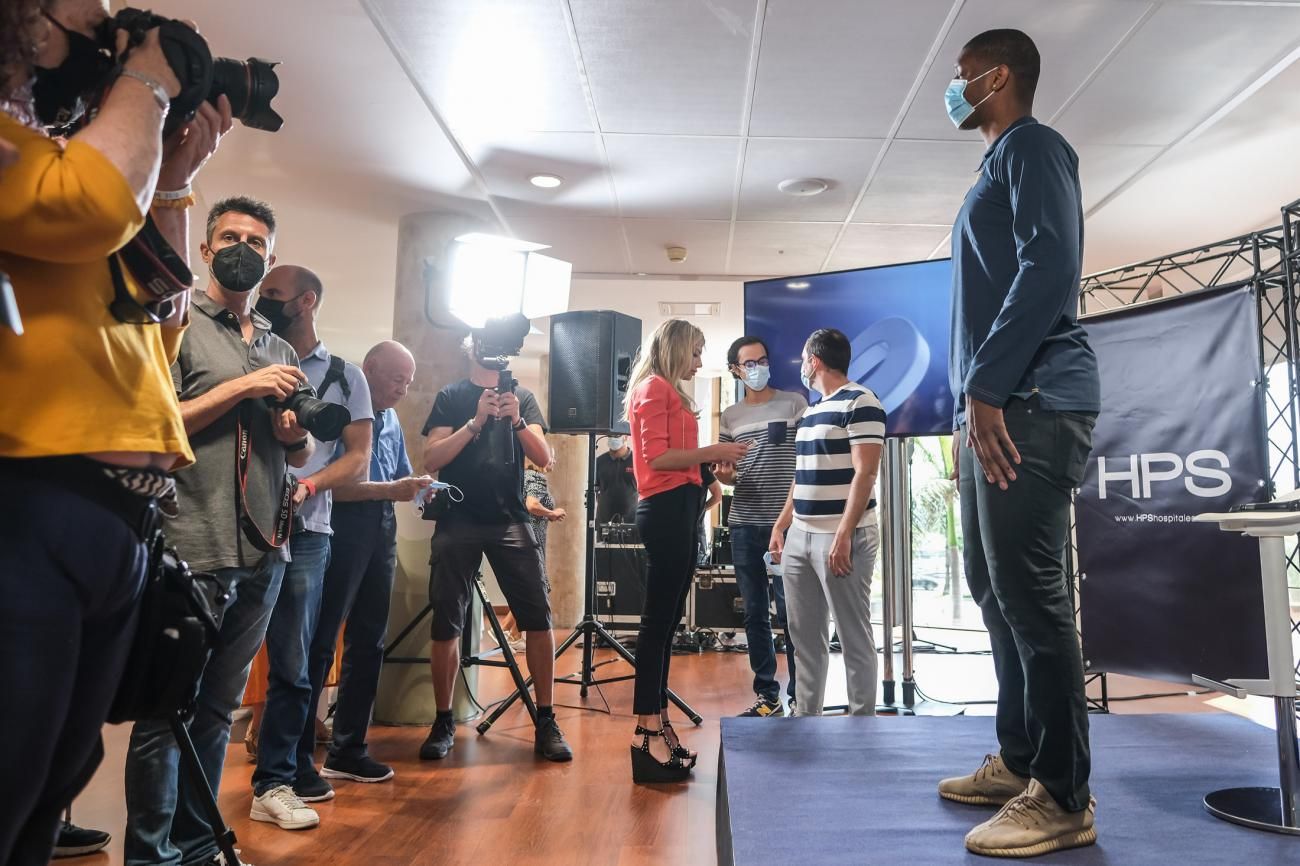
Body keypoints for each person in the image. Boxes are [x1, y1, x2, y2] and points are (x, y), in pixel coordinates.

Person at [0, 3, 228, 863]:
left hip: (119, 518)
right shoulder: (34, 162)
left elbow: (161, 316)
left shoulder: (69, 163)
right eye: (83, 15)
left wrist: (168, 176)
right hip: (28, 498)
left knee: (46, 794)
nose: (103, 28)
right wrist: (151, 77)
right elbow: (89, 207)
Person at [938, 28, 1100, 858]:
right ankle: (1022, 758)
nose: (953, 88)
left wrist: (987, 386)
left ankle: (1065, 796)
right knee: (991, 586)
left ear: (998, 76)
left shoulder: (1033, 146)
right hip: (998, 403)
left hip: (1031, 398)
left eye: (962, 76)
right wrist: (973, 399)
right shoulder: (995, 163)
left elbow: (1051, 265)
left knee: (1032, 595)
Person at [124, 197, 320, 862]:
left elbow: (295, 456)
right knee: (165, 712)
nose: (243, 247)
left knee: (217, 711)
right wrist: (243, 389)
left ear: (268, 258)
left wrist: (293, 438)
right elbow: (157, 424)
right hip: (191, 545)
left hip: (265, 548)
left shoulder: (278, 345)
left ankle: (198, 845)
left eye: (256, 240)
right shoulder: (174, 324)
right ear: (205, 251)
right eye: (230, 236)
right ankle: (152, 855)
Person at [249, 265, 375, 813]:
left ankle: (285, 771)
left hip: (309, 529)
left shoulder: (346, 375)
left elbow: (358, 457)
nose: (263, 300)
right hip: (244, 517)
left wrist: (310, 485)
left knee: (296, 659)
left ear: (306, 301)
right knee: (227, 655)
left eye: (274, 294)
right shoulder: (252, 356)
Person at [419, 335, 573, 763]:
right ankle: (443, 719)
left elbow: (544, 458)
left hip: (511, 520)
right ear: (470, 348)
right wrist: (474, 423)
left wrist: (518, 422)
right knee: (446, 620)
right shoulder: (451, 396)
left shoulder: (522, 397)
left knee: (538, 618)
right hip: (458, 519)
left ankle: (546, 717)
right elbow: (431, 460)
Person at [298, 340, 433, 795]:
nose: (403, 389)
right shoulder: (337, 411)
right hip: (342, 525)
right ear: (369, 370)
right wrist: (390, 489)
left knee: (370, 640)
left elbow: (398, 477)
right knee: (321, 639)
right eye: (397, 379)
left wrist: (419, 487)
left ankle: (348, 749)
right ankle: (297, 755)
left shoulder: (391, 420)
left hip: (382, 528)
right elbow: (331, 485)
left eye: (409, 383)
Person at [624, 319, 749, 783]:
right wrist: (713, 451)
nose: (699, 362)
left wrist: (708, 477)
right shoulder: (654, 389)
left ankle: (656, 726)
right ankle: (646, 732)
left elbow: (674, 457)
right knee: (657, 626)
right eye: (696, 352)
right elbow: (656, 460)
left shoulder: (664, 389)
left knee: (667, 622)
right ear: (676, 348)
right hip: (666, 511)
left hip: (679, 507)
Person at [770, 329, 884, 719]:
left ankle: (862, 723)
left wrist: (844, 534)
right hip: (801, 536)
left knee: (853, 635)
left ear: (814, 361)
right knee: (804, 638)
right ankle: (806, 718)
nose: (801, 364)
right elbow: (802, 475)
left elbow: (865, 473)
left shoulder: (862, 402)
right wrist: (782, 525)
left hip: (843, 537)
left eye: (803, 357)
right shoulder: (812, 411)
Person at [715, 336, 806, 717]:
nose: (757, 368)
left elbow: (807, 464)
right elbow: (728, 477)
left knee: (793, 614)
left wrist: (786, 521)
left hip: (787, 525)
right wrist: (725, 474)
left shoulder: (794, 404)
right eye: (748, 363)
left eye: (762, 360)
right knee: (754, 613)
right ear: (736, 369)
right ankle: (767, 696)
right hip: (744, 524)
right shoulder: (730, 417)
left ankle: (803, 695)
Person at [595, 434, 638, 524]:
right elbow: (595, 489)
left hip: (631, 521)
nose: (613, 437)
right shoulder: (599, 462)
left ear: (625, 436)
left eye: (617, 435)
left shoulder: (636, 460)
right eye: (611, 435)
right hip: (605, 521)